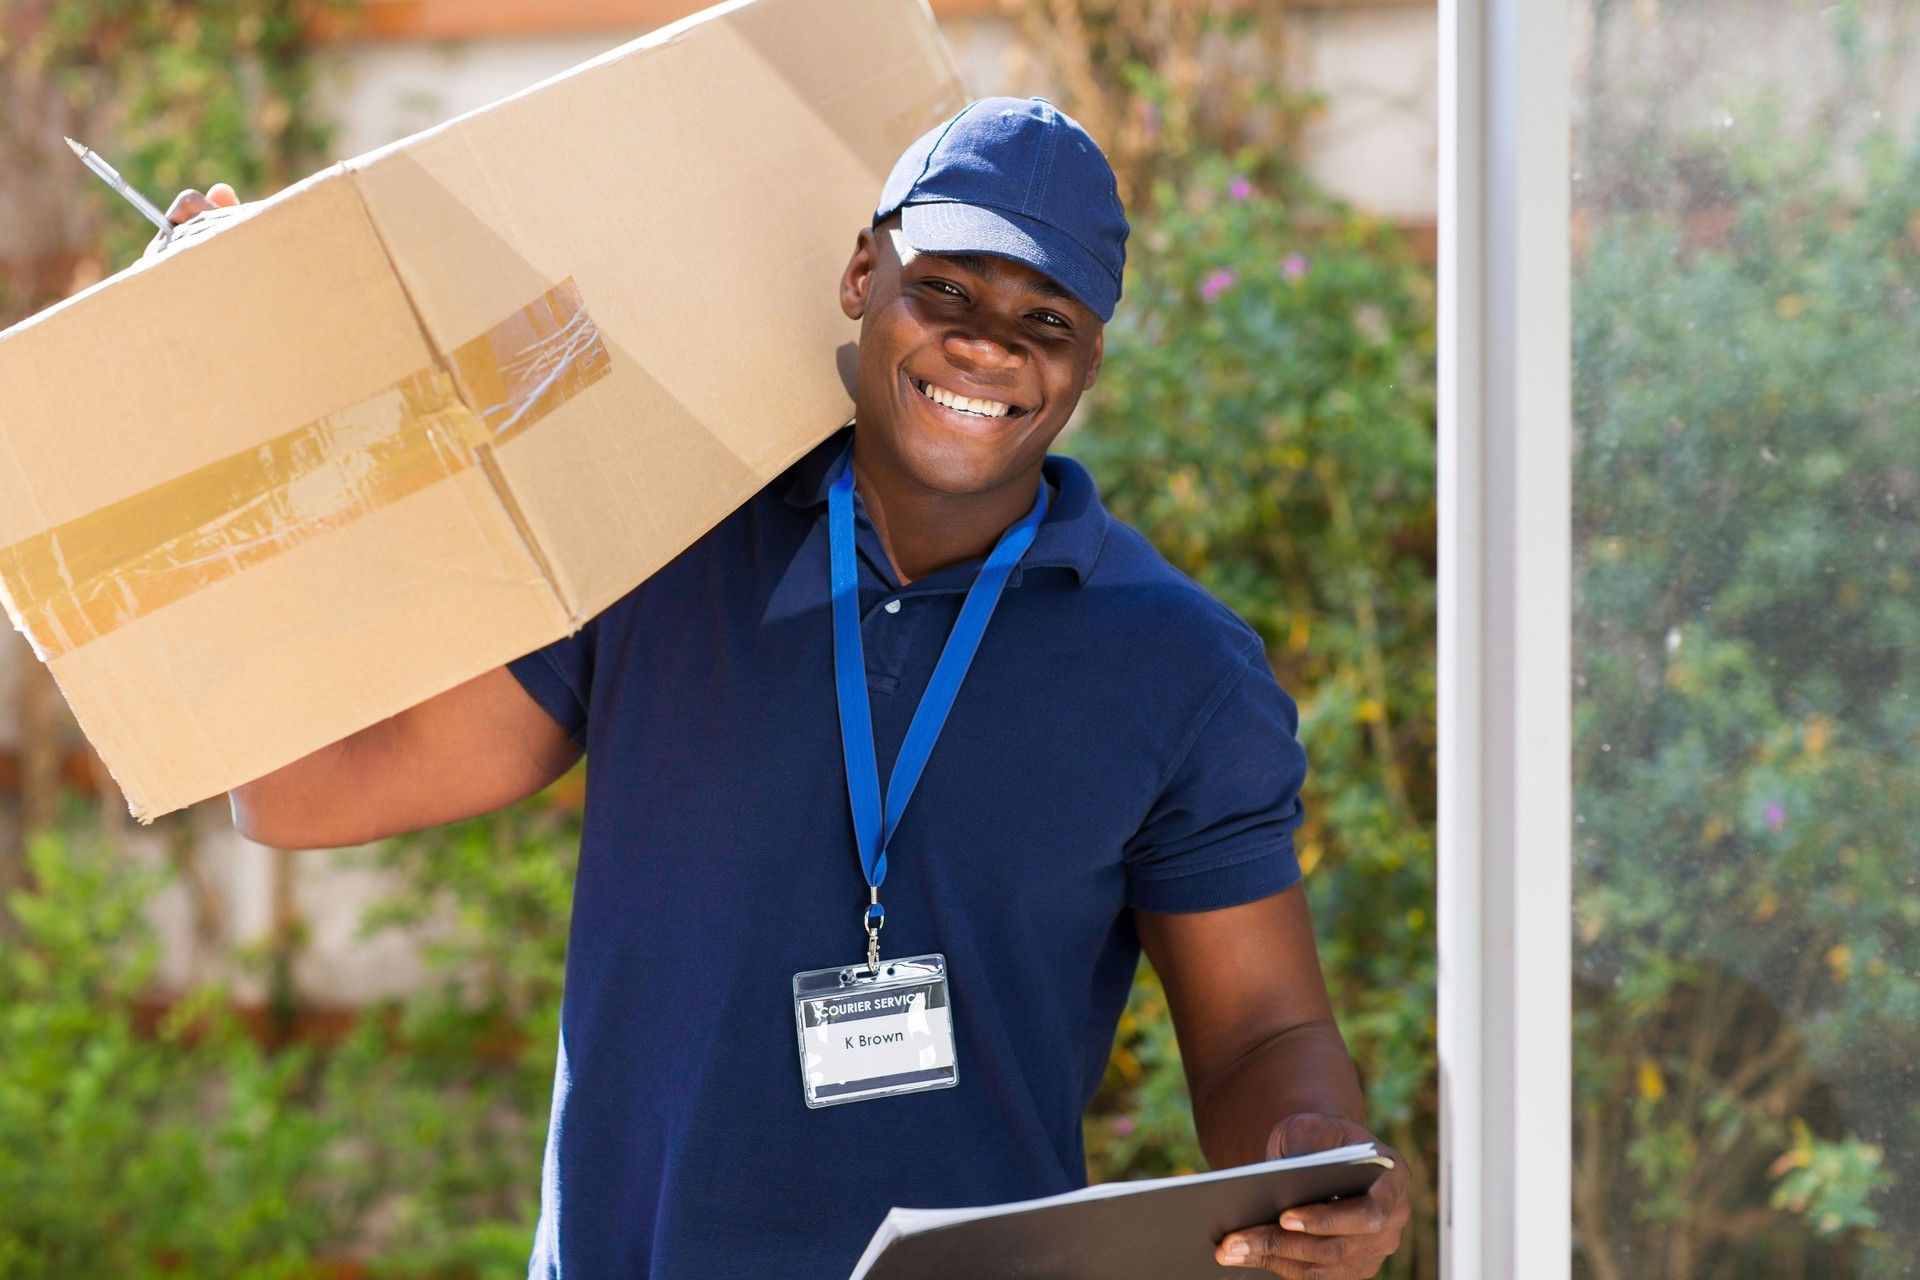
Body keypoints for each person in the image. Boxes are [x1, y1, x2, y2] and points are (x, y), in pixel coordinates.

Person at [191, 97, 1410, 1279]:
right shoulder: (661, 551)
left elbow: (1264, 1033)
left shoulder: (1180, 667)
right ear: (860, 275)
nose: (989, 343)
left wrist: (1309, 1158)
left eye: (1047, 317)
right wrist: (208, 381)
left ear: (1091, 355)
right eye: (946, 287)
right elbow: (300, 792)